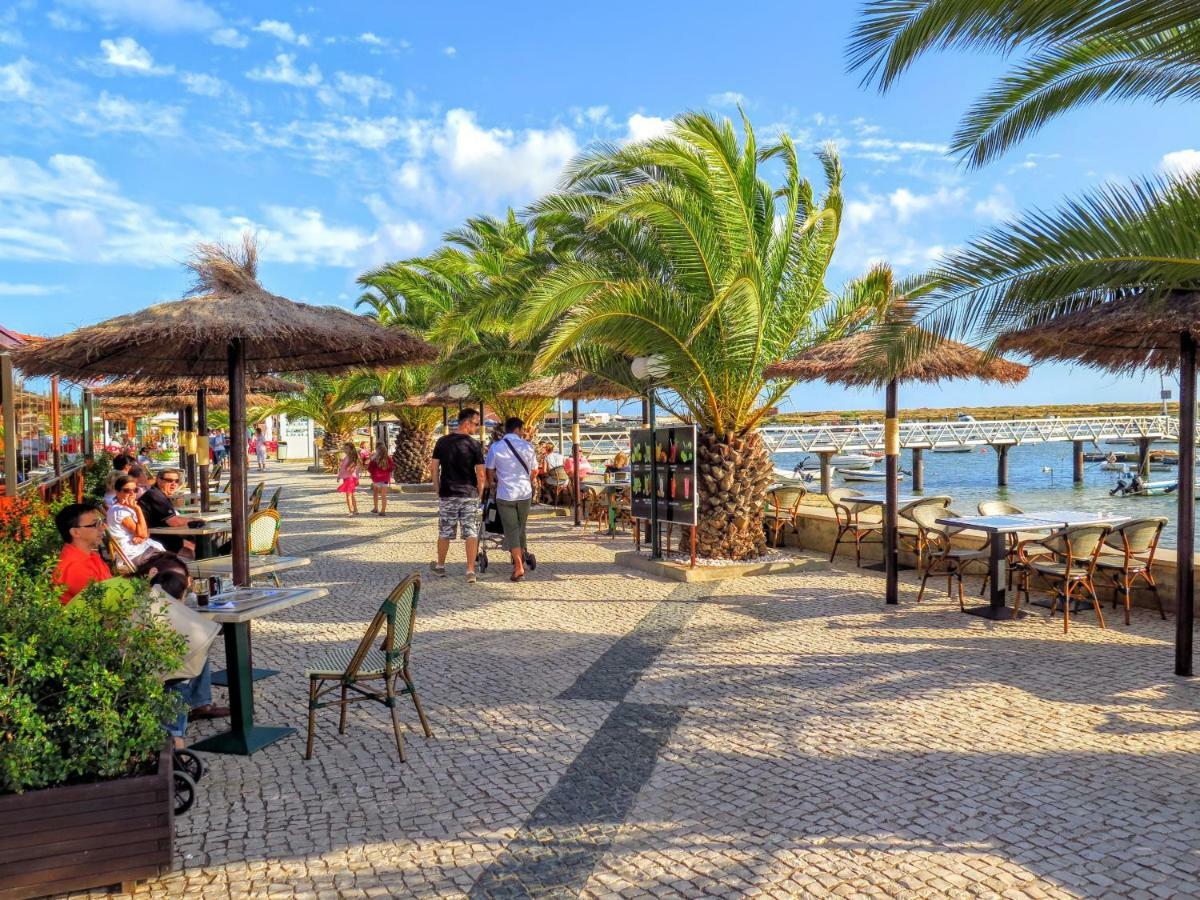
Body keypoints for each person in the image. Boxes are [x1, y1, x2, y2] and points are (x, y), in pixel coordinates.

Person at [135, 554, 228, 746]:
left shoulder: (145, 605)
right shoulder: (176, 618)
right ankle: (179, 759)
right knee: (174, 728)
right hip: (175, 679)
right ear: (180, 597)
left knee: (167, 722)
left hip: (149, 676)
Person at [429, 408, 485, 584]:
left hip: (448, 493)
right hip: (469, 494)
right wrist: (480, 493)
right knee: (471, 531)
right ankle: (470, 570)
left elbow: (433, 468)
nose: (477, 428)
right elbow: (481, 474)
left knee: (445, 531)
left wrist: (437, 488)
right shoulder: (474, 445)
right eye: (476, 424)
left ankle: (440, 566)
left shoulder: (442, 442)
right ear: (466, 423)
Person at [485, 417, 537, 581]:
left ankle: (518, 565)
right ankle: (519, 560)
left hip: (505, 494)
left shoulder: (496, 447)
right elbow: (535, 471)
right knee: (520, 527)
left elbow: (490, 470)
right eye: (523, 429)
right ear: (518, 429)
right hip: (524, 494)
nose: (524, 432)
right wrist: (526, 480)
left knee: (512, 529)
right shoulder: (528, 446)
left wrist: (494, 483)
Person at [52, 502, 113, 604]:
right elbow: (103, 604)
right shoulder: (73, 567)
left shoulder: (88, 555)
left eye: (101, 522)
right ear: (76, 532)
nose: (102, 528)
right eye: (95, 524)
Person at [107, 474, 167, 568]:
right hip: (131, 554)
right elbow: (143, 533)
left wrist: (142, 536)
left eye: (135, 490)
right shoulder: (119, 511)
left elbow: (145, 533)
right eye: (127, 490)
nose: (132, 494)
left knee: (172, 560)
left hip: (140, 549)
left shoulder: (126, 508)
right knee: (169, 562)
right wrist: (138, 509)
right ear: (117, 492)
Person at [138, 468, 195, 558]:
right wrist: (195, 520)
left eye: (176, 481)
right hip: (154, 539)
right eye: (169, 480)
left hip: (159, 535)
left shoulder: (157, 494)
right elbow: (173, 521)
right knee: (194, 542)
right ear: (159, 480)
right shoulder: (155, 496)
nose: (174, 484)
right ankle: (192, 567)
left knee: (193, 539)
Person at [367, 443, 394, 516]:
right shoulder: (388, 459)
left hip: (376, 478)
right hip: (385, 478)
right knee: (383, 495)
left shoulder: (374, 459)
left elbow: (370, 468)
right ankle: (383, 510)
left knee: (375, 493)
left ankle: (375, 508)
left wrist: (372, 474)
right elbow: (391, 468)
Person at [337, 441, 360, 516]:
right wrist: (339, 476)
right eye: (344, 448)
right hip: (347, 478)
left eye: (347, 448)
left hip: (350, 478)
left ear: (351, 449)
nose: (345, 450)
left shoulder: (352, 458)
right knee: (351, 495)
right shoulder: (347, 458)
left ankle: (351, 511)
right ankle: (355, 510)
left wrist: (357, 479)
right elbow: (342, 469)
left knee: (349, 495)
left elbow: (355, 470)